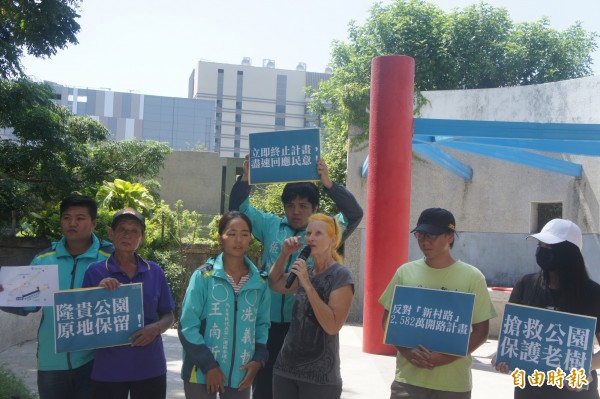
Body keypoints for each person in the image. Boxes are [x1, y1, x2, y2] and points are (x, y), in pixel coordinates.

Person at [229, 156, 363, 399]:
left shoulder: (325, 231)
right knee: (264, 387)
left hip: (304, 327)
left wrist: (329, 185)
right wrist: (246, 179)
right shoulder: (270, 225)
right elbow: (238, 210)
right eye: (291, 205)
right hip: (267, 324)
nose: (296, 211)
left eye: (303, 206)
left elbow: (354, 214)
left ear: (314, 209)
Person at [0, 195, 113, 399]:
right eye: (66, 217)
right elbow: (28, 306)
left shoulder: (110, 258)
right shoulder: (44, 259)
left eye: (80, 218)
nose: (72, 223)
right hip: (52, 360)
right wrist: (5, 294)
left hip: (97, 361)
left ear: (94, 223)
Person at [379, 207, 497, 398]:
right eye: (420, 235)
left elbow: (481, 331)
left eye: (432, 235)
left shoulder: (472, 277)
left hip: (453, 385)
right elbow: (388, 321)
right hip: (408, 381)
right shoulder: (404, 273)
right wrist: (407, 352)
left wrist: (443, 358)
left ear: (450, 236)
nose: (425, 241)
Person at [492, 218, 600, 398]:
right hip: (529, 391)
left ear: (569, 253)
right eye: (540, 245)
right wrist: (503, 356)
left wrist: (583, 367)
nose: (541, 251)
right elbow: (513, 337)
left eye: (549, 247)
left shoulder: (593, 294)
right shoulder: (525, 285)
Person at [82, 207, 175, 399]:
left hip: (150, 366)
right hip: (108, 369)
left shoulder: (155, 271)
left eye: (134, 231)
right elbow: (83, 319)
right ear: (111, 234)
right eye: (122, 229)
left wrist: (156, 328)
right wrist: (97, 293)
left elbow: (168, 315)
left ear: (142, 236)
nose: (127, 235)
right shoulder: (95, 272)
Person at [178, 211, 271, 399]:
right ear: (220, 237)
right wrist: (209, 366)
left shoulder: (260, 281)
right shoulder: (204, 276)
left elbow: (262, 325)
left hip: (241, 372)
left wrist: (258, 360)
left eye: (245, 234)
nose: (238, 240)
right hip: (201, 372)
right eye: (232, 233)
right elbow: (187, 326)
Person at [268, 213, 354, 399]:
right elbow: (274, 283)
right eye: (308, 233)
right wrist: (284, 254)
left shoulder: (341, 276)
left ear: (332, 240)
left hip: (320, 376)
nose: (311, 238)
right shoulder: (305, 271)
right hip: (286, 368)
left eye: (318, 233)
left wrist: (307, 285)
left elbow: (332, 326)